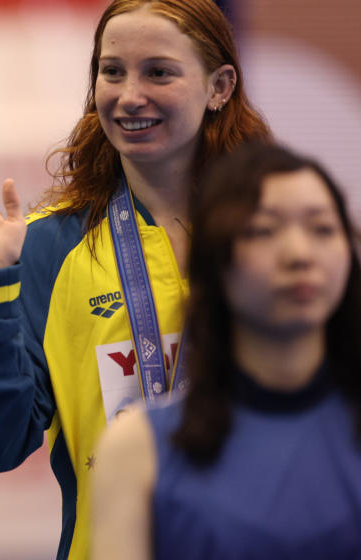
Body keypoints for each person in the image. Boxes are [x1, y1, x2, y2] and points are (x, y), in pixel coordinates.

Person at [0, 0, 272, 559]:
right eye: (112, 72)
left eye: (159, 72)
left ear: (219, 87)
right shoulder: (52, 247)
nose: (130, 96)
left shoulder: (278, 231)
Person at [90, 142, 361, 559]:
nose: (300, 255)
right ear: (213, 261)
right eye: (263, 230)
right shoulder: (137, 450)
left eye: (322, 228)